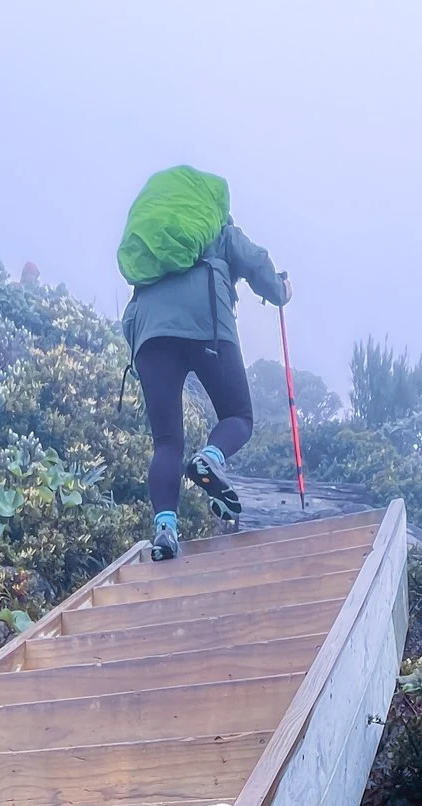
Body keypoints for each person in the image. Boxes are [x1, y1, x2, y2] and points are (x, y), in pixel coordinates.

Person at [121, 208, 291, 560]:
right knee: (239, 416)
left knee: (167, 443)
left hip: (150, 334)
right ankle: (210, 458)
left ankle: (165, 531)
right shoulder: (217, 228)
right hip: (207, 325)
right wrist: (280, 291)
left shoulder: (156, 245)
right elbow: (256, 262)